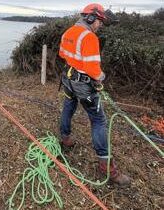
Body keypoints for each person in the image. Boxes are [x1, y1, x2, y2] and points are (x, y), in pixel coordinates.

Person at [57, 3, 130, 186]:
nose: (100, 26)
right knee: (99, 121)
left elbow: (62, 55)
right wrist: (101, 78)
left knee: (68, 106)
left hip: (68, 78)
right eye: (99, 21)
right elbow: (93, 69)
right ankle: (107, 168)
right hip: (83, 84)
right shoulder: (89, 37)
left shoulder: (68, 32)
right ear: (90, 18)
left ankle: (65, 139)